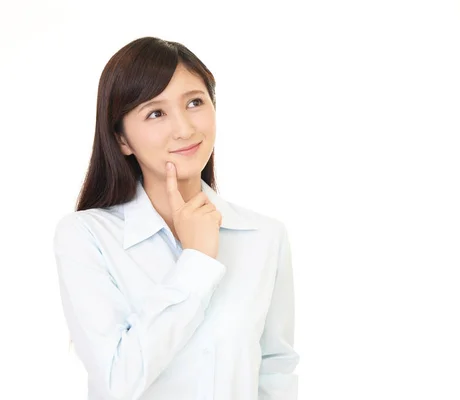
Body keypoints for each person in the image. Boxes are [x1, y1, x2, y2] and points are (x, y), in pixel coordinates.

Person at [52, 36, 299, 400]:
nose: (184, 128)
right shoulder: (87, 236)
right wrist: (196, 262)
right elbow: (118, 381)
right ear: (122, 139)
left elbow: (275, 370)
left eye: (195, 103)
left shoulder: (263, 236)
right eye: (156, 113)